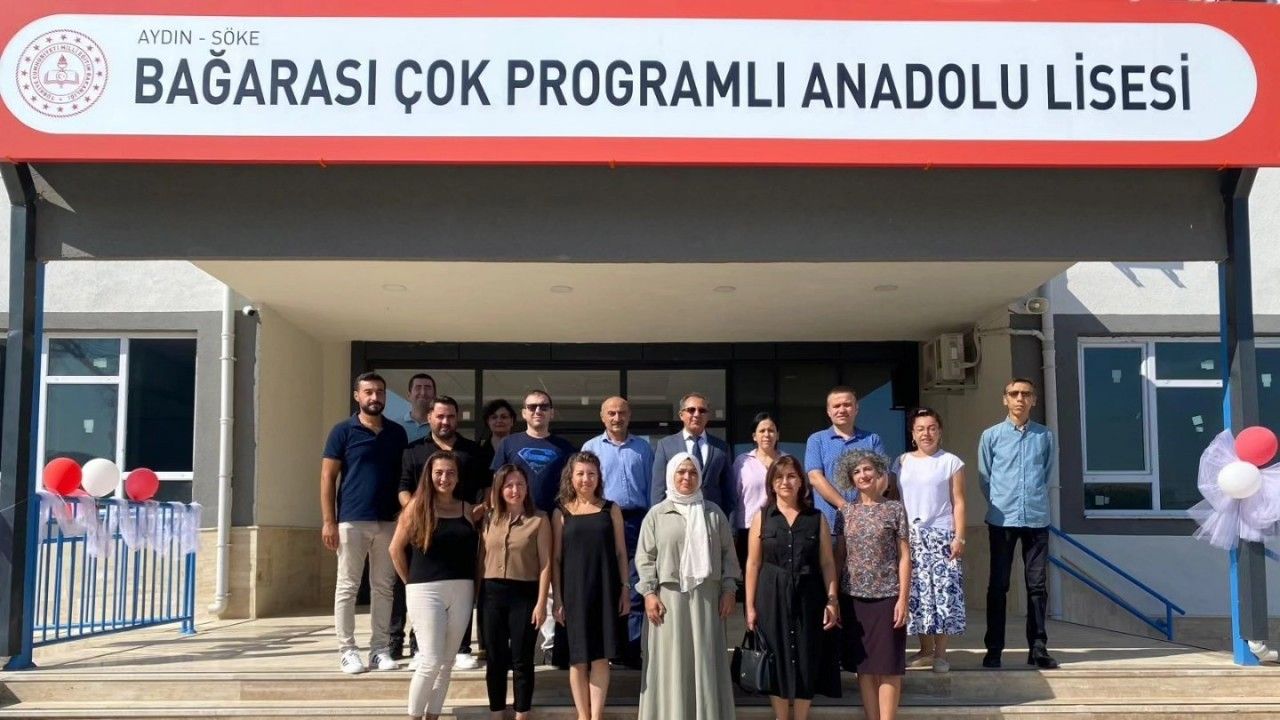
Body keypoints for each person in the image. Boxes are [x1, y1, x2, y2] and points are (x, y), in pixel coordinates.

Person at [636, 453, 740, 720]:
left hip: (707, 597)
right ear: (671, 475)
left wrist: (729, 589)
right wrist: (649, 593)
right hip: (668, 600)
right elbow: (645, 557)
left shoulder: (712, 513)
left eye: (693, 472)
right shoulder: (657, 514)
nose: (687, 477)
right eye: (681, 472)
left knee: (705, 658)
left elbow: (728, 555)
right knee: (672, 660)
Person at [321, 371, 408, 675]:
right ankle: (347, 651)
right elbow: (328, 477)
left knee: (384, 587)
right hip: (351, 520)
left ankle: (379, 650)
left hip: (388, 521)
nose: (375, 397)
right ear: (357, 396)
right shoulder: (342, 431)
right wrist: (329, 521)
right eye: (368, 392)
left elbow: (403, 477)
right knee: (347, 587)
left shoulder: (397, 433)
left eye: (380, 392)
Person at [744, 455, 841, 720]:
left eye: (791, 476)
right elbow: (753, 563)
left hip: (809, 596)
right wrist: (749, 606)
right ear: (771, 484)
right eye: (779, 477)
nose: (785, 482)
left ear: (801, 482)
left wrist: (832, 599)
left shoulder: (816, 518)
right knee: (775, 656)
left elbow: (827, 562)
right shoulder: (762, 517)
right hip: (771, 596)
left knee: (806, 656)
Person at [399, 395, 488, 669]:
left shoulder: (473, 451)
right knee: (426, 590)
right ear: (429, 418)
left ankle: (462, 647)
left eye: (450, 416)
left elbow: (485, 488)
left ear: (457, 418)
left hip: (462, 526)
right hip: (425, 527)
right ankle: (418, 646)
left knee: (461, 584)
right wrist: (417, 513)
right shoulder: (413, 451)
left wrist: (475, 512)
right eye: (440, 416)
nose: (445, 421)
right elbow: (403, 488)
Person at [390, 451, 480, 720]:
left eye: (450, 473)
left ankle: (433, 716)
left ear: (458, 477)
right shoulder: (416, 507)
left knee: (447, 663)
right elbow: (395, 549)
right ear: (429, 476)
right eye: (439, 472)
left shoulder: (466, 509)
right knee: (430, 661)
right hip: (425, 591)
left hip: (462, 590)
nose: (444, 478)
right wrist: (410, 583)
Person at [490, 389, 578, 665]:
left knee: (553, 582)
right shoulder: (509, 443)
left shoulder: (565, 448)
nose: (538, 411)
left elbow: (572, 488)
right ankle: (512, 645)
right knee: (519, 582)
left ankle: (551, 645)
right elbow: (497, 483)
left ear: (552, 412)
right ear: (524, 412)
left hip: (554, 520)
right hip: (519, 522)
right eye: (532, 407)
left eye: (543, 406)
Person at [979, 378, 1058, 670]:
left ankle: (1038, 648)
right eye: (1014, 394)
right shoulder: (991, 436)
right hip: (1002, 519)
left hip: (1036, 518)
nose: (1020, 399)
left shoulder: (1044, 436)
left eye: (1026, 394)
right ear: (1005, 399)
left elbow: (1047, 473)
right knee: (998, 586)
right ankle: (994, 649)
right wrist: (1002, 501)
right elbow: (985, 477)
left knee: (1037, 586)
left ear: (1033, 400)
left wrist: (1031, 498)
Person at [833, 450, 909, 720]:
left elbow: (904, 556)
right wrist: (834, 598)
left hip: (888, 596)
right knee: (864, 668)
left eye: (867, 469)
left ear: (878, 473)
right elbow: (839, 557)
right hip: (853, 598)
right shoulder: (845, 513)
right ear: (850, 479)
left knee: (888, 666)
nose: (863, 475)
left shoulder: (894, 509)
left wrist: (903, 598)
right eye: (856, 471)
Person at [552, 452, 629, 720]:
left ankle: (596, 716)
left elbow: (621, 553)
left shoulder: (611, 509)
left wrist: (625, 588)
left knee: (600, 656)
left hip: (605, 590)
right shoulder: (561, 512)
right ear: (571, 477)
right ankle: (583, 716)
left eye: (591, 474)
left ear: (599, 477)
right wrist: (557, 598)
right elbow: (556, 559)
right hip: (573, 592)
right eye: (581, 474)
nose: (586, 479)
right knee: (578, 657)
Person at [580, 396, 654, 668]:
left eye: (621, 413)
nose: (616, 418)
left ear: (629, 415)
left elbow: (652, 487)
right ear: (602, 417)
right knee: (604, 582)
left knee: (633, 583)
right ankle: (605, 648)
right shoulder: (590, 448)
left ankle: (630, 650)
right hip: (601, 520)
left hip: (637, 520)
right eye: (611, 413)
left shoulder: (643, 448)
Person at [894, 407, 967, 673]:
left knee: (943, 593)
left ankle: (940, 654)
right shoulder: (901, 462)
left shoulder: (951, 462)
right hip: (910, 536)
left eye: (931, 428)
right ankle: (924, 650)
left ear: (940, 431)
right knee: (918, 594)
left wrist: (959, 537)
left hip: (941, 536)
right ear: (913, 434)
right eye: (920, 429)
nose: (926, 433)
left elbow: (959, 502)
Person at [478, 465, 552, 720]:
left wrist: (541, 602)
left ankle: (522, 713)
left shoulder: (539, 520)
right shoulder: (489, 518)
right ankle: (497, 712)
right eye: (508, 485)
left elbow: (546, 564)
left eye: (520, 484)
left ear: (527, 488)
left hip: (524, 593)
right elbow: (481, 559)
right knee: (495, 658)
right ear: (499, 489)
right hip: (491, 593)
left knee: (522, 659)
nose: (515, 490)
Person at [805, 386, 887, 534]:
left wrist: (864, 507)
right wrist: (845, 507)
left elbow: (882, 477)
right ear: (828, 411)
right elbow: (815, 478)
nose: (842, 410)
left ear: (856, 409)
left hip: (867, 525)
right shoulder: (817, 440)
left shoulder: (872, 439)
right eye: (836, 406)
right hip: (828, 526)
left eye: (847, 405)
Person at [650, 392, 734, 509]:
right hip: (677, 514)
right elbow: (658, 488)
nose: (697, 414)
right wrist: (659, 516)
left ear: (707, 416)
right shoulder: (665, 446)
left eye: (702, 410)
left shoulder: (720, 447)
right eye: (691, 410)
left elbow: (728, 491)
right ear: (681, 415)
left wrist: (729, 520)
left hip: (711, 515)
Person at [732, 412, 781, 577]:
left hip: (779, 528)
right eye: (762, 431)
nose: (767, 434)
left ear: (777, 435)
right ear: (754, 436)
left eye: (771, 430)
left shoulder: (786, 461)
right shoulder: (742, 462)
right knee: (750, 578)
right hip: (748, 529)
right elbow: (734, 497)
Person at [477, 398, 517, 469]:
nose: (499, 420)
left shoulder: (520, 449)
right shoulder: (478, 450)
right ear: (488, 422)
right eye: (494, 417)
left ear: (512, 421)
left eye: (504, 417)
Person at [401, 373, 436, 444]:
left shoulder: (440, 426)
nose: (423, 393)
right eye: (418, 387)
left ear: (434, 395)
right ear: (409, 395)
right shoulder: (396, 426)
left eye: (427, 388)